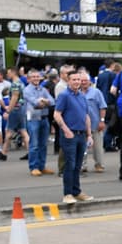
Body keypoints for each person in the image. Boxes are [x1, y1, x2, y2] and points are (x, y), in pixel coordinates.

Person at [53, 70, 93, 204]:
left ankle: (77, 191)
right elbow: (57, 114)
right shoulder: (64, 95)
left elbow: (86, 116)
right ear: (68, 81)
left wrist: (89, 135)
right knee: (69, 164)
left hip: (81, 134)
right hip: (69, 135)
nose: (77, 82)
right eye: (74, 80)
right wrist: (66, 130)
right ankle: (68, 194)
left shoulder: (82, 96)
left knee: (78, 165)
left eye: (78, 80)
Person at [22, 69, 55, 176]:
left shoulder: (43, 89)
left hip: (44, 118)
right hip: (33, 118)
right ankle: (34, 167)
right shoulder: (26, 90)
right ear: (29, 78)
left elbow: (52, 101)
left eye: (38, 77)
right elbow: (35, 102)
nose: (36, 78)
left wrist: (43, 101)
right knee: (34, 144)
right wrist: (44, 101)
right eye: (33, 77)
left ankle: (42, 166)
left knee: (43, 144)